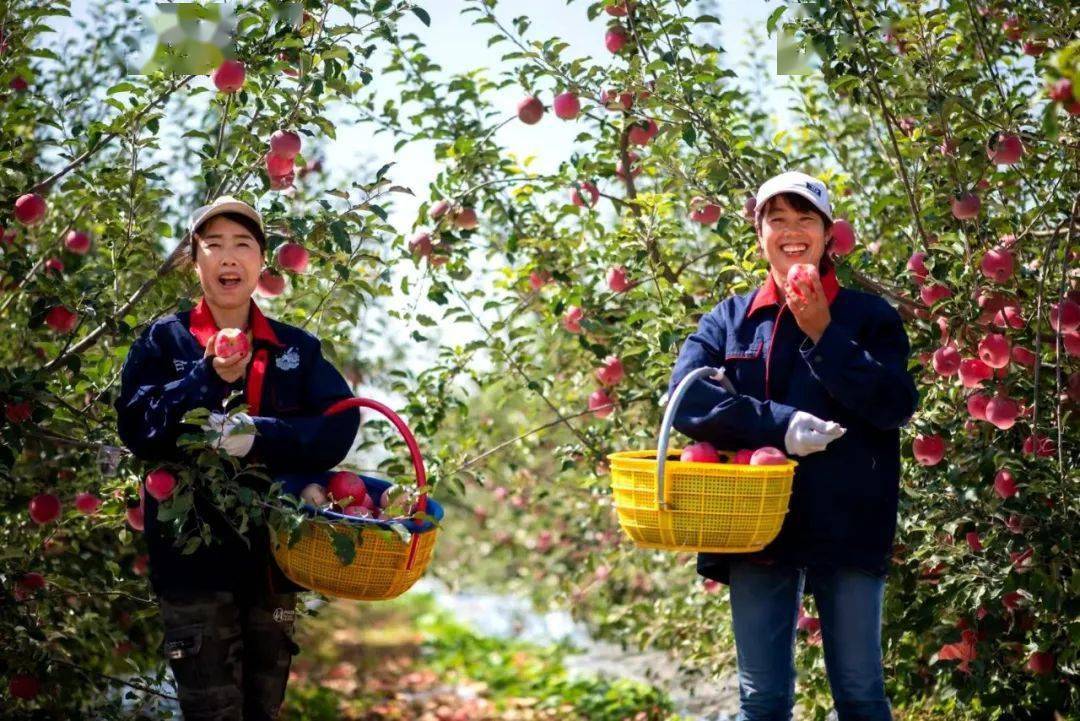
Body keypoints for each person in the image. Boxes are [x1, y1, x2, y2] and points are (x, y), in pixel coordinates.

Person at [667, 171, 919, 721]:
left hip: (848, 519)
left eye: (805, 218)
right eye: (776, 219)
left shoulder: (869, 318)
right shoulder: (729, 321)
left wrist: (825, 334)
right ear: (759, 233)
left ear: (829, 234)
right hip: (755, 527)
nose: (791, 231)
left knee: (859, 693)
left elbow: (895, 403)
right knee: (762, 701)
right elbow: (685, 403)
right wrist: (777, 426)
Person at [115, 196, 360, 721]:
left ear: (261, 262)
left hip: (275, 562)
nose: (229, 258)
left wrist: (259, 436)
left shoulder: (297, 349)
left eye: (243, 245)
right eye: (214, 245)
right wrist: (206, 378)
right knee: (212, 711)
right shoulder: (164, 341)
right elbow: (137, 429)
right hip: (190, 565)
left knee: (263, 708)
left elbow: (339, 424)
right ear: (194, 260)